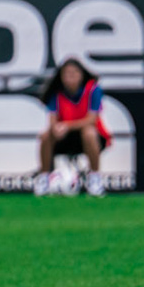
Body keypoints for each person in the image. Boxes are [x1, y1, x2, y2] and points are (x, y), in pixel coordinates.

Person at [37, 57, 109, 197]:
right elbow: (52, 119)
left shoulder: (93, 90)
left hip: (91, 139)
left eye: (75, 73)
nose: (71, 77)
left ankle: (94, 179)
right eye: (67, 74)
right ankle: (44, 179)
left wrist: (67, 126)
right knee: (45, 135)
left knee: (88, 132)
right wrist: (56, 128)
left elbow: (91, 120)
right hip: (64, 138)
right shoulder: (56, 92)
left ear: (81, 75)